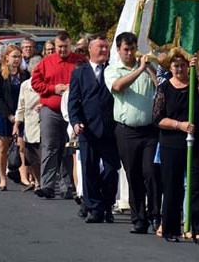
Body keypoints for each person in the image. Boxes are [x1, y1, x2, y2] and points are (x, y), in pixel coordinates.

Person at [152, 48, 199, 245]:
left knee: (196, 187)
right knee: (172, 186)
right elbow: (157, 118)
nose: (179, 69)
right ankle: (170, 228)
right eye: (175, 66)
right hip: (172, 142)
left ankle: (198, 230)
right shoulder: (164, 88)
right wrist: (179, 125)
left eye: (182, 66)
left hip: (196, 142)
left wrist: (197, 71)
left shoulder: (195, 85)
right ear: (170, 68)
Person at [104, 32, 161, 234]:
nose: (129, 53)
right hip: (126, 131)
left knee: (151, 173)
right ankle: (139, 218)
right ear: (118, 50)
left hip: (149, 131)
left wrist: (149, 68)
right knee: (134, 175)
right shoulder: (112, 70)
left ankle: (156, 214)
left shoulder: (146, 67)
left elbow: (161, 86)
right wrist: (139, 70)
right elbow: (118, 86)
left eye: (132, 49)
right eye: (125, 50)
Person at [68, 33, 120, 223]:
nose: (104, 50)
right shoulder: (79, 72)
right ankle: (94, 208)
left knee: (110, 170)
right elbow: (73, 102)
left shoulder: (113, 71)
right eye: (100, 47)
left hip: (110, 130)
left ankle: (107, 205)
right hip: (87, 130)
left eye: (106, 47)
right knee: (88, 169)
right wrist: (76, 122)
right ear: (90, 49)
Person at [31, 30, 86, 199]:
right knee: (49, 146)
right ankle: (47, 185)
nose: (62, 50)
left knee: (69, 148)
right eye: (59, 47)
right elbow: (35, 82)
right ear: (54, 47)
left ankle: (68, 186)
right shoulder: (46, 62)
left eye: (65, 47)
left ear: (71, 46)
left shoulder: (80, 61)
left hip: (72, 111)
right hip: (52, 109)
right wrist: (53, 89)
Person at [0, 45, 29, 190]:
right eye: (14, 56)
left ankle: (24, 177)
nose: (17, 59)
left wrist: (19, 116)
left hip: (20, 115)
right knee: (3, 148)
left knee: (22, 147)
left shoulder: (24, 75)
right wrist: (9, 115)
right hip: (3, 115)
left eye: (19, 56)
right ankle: (2, 179)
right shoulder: (0, 74)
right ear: (6, 58)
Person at [14, 56, 43, 191]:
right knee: (33, 157)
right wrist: (16, 125)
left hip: (45, 123)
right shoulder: (25, 85)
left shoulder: (47, 83)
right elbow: (21, 107)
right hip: (30, 125)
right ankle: (38, 182)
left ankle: (46, 182)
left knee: (45, 156)